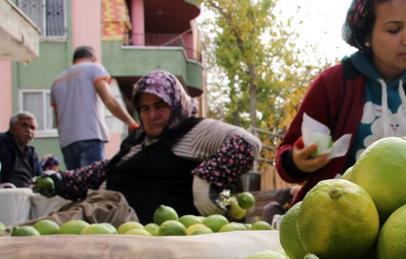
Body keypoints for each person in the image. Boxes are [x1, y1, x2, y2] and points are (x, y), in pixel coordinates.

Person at [275, 0, 406, 203]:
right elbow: (286, 159)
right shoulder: (333, 84)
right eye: (394, 30)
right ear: (366, 35)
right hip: (333, 214)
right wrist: (296, 162)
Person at [38, 69, 261, 223]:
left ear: (175, 104)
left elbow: (248, 143)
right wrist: (61, 181)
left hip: (137, 226)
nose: (152, 115)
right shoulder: (137, 139)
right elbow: (104, 170)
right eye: (144, 108)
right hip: (104, 215)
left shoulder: (194, 131)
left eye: (160, 105)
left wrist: (206, 180)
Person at [51, 45, 139, 170]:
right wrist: (131, 123)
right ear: (93, 58)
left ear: (74, 61)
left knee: (75, 184)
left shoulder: (57, 81)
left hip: (67, 142)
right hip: (91, 136)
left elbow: (57, 118)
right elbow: (108, 100)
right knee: (92, 183)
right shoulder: (94, 68)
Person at [0, 112, 43, 188]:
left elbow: (40, 177)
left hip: (27, 194)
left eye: (32, 128)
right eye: (24, 125)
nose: (29, 130)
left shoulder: (31, 153)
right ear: (12, 128)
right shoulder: (2, 142)